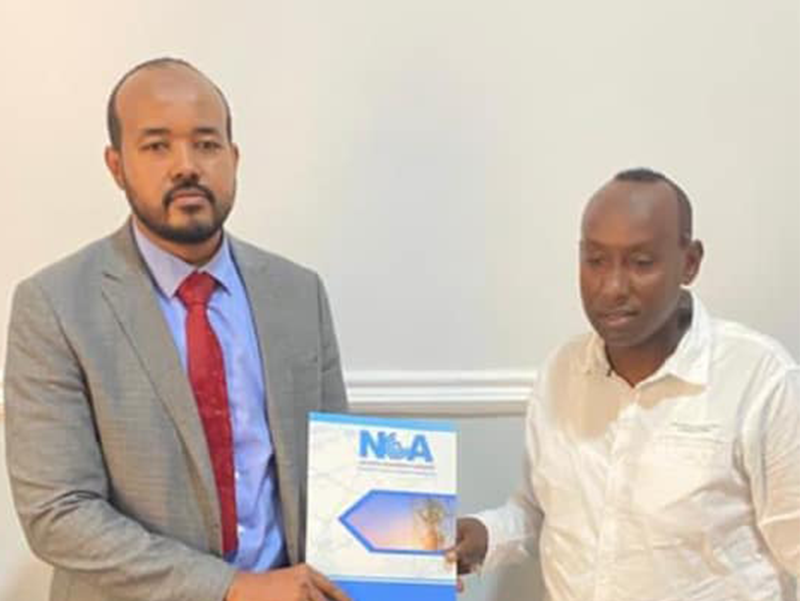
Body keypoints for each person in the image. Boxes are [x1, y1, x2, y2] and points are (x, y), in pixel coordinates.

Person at [4, 58, 350, 601]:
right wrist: (232, 589)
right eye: (157, 146)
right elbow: (58, 513)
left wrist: (414, 554)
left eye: (207, 144)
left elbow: (339, 471)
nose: (187, 166)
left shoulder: (298, 294)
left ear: (233, 158)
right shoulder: (54, 305)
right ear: (116, 165)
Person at [451, 169, 800, 600]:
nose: (612, 287)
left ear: (690, 262)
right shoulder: (562, 371)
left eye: (641, 262)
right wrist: (483, 537)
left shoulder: (758, 380)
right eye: (595, 260)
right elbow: (540, 510)